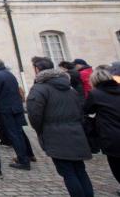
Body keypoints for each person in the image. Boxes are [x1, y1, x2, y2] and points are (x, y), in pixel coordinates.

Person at [26, 57, 93, 197]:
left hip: (55, 134)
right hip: (76, 133)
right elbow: (80, 109)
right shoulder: (70, 88)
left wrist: (41, 130)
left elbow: (34, 115)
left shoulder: (40, 88)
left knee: (68, 172)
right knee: (80, 170)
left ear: (37, 70)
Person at [0, 58, 31, 171]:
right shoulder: (8, 74)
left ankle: (23, 160)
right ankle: (25, 157)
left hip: (6, 108)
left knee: (14, 134)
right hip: (16, 107)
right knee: (19, 133)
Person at [84, 66, 120, 193]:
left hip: (111, 135)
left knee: (116, 165)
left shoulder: (95, 94)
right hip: (112, 132)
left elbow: (87, 110)